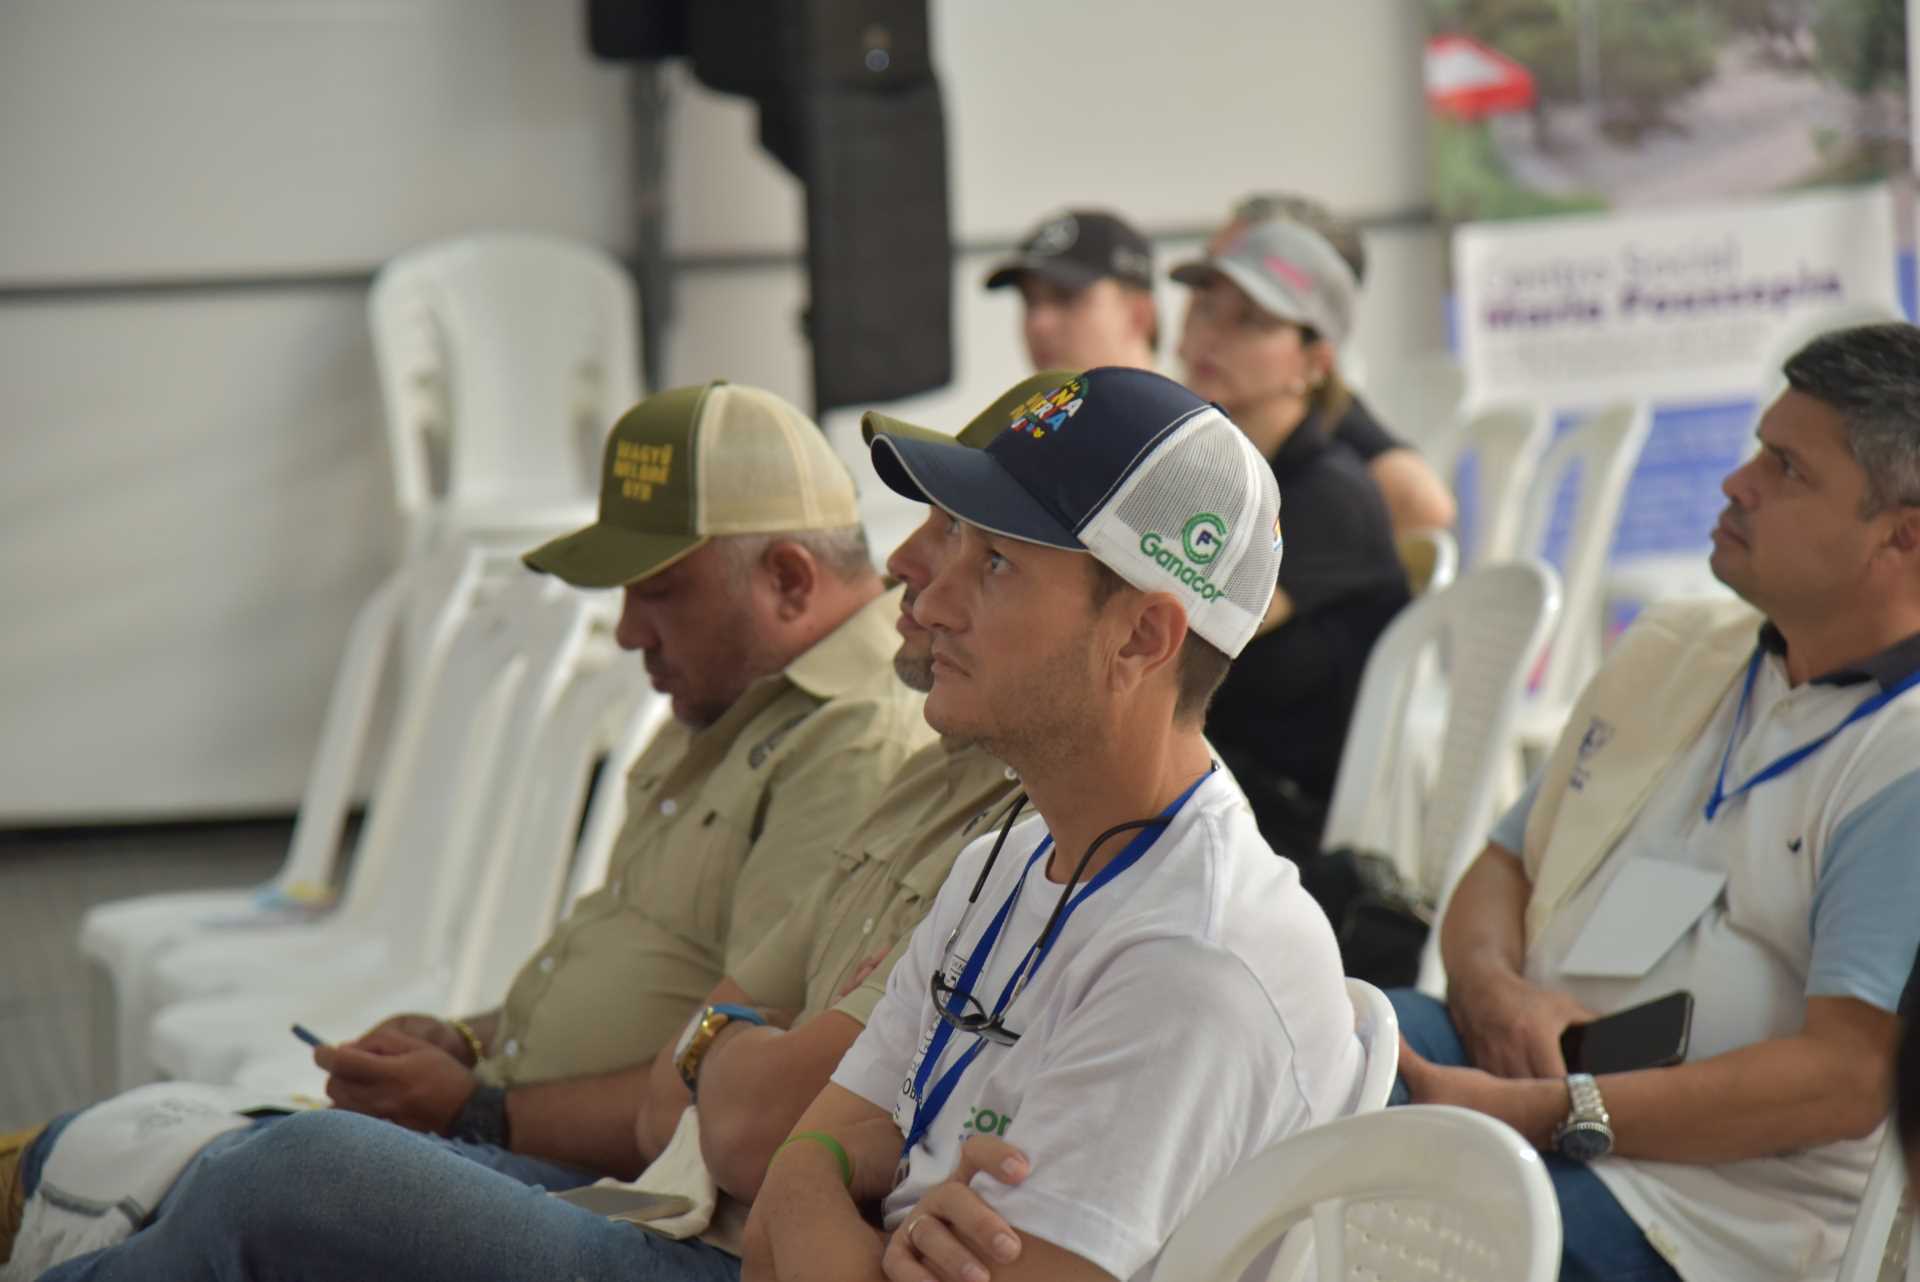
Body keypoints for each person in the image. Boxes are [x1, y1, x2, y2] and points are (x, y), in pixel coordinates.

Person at [21, 371, 1362, 1282]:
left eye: (992, 559)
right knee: (269, 1170)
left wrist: (825, 1196)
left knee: (289, 1177)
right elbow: (796, 1167)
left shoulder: (1192, 967)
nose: (920, 580)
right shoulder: (1019, 853)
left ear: (1143, 631)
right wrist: (853, 1217)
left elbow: (792, 1167)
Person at [2, 381, 933, 1270]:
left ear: (787, 579)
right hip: (564, 1150)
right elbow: (682, 1010)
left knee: (264, 1180)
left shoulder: (852, 743)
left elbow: (708, 1104)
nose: (625, 633)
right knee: (200, 1163)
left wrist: (482, 1112)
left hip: (644, 1201)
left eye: (658, 591)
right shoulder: (730, 701)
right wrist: (469, 1042)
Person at [1392, 322, 1920, 1282]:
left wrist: (1558, 1112)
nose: (1737, 482)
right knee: (1310, 1042)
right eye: (1760, 446)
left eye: (1787, 468)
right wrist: (1495, 992)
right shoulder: (1682, 649)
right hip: (1518, 1073)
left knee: (1394, 1185)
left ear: (1902, 537)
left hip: (1711, 1211)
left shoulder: (1906, 757)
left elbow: (1849, 1079)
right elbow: (1506, 863)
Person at [1169, 214, 1410, 860]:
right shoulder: (1223, 478)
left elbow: (1181, 632)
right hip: (1218, 799)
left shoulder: (1328, 493)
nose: (1210, 335)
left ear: (1314, 361)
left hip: (1285, 834)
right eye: (1204, 308)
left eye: (1251, 319)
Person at [1208, 191, 1457, 537]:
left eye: (1251, 308)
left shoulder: (1335, 451)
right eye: (1210, 276)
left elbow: (1425, 505)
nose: (1210, 300)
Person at [983, 210, 1157, 373]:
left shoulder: (1181, 405)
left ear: (1139, 315)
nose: (1040, 324)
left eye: (1065, 298)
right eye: (1030, 301)